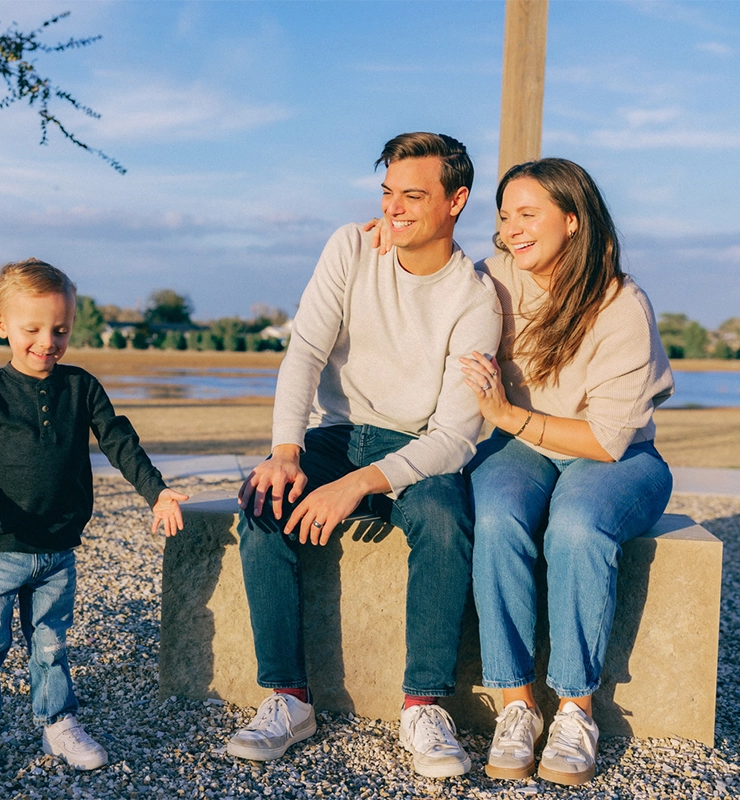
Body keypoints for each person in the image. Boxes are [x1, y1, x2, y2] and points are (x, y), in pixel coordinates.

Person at [230, 132, 501, 779]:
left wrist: (355, 486)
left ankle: (424, 706)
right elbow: (305, 353)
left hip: (418, 448)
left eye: (413, 196)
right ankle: (288, 699)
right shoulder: (351, 247)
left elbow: (455, 437)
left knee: (444, 519)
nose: (394, 209)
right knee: (262, 501)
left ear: (455, 200)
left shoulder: (475, 298)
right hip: (335, 433)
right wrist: (286, 453)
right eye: (387, 194)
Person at [0, 258, 188, 782]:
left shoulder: (81, 388)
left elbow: (121, 442)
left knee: (50, 641)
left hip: (56, 552)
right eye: (32, 329)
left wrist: (156, 493)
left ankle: (58, 721)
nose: (47, 341)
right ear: (1, 324)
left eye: (60, 329)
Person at [462, 159, 674, 786]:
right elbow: (424, 282)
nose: (512, 229)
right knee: (496, 516)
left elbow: (607, 441)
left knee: (577, 526)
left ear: (573, 221)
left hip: (620, 457)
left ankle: (577, 710)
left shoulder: (622, 305)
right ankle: (516, 705)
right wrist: (387, 242)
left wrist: (503, 414)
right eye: (505, 216)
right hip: (525, 447)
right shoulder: (495, 277)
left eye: (529, 214)